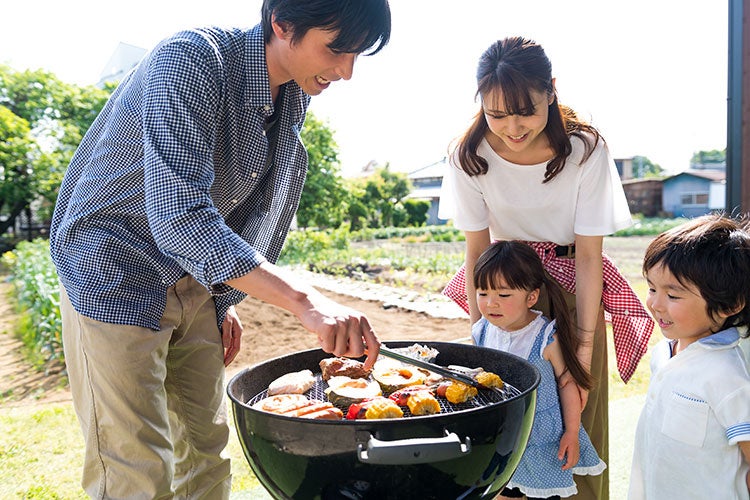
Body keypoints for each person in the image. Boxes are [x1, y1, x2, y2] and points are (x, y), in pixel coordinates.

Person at [48, 1, 391, 498]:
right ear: (282, 25)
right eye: (336, 49)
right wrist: (303, 299)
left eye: (357, 54)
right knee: (135, 467)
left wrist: (222, 297)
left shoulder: (291, 97)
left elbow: (251, 211)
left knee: (205, 455)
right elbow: (179, 211)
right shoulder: (192, 59)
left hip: (193, 280)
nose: (346, 71)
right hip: (112, 269)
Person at [438, 36, 654, 499]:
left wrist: (583, 348)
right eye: (497, 114)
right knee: (502, 415)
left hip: (574, 285)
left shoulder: (584, 150)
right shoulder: (468, 155)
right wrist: (482, 341)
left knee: (577, 416)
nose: (512, 128)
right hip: (506, 290)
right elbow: (476, 251)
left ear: (551, 91)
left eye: (525, 112)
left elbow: (590, 252)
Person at [628, 214, 750, 499]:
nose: (655, 304)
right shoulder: (664, 353)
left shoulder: (728, 375)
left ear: (729, 305)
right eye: (652, 289)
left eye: (673, 296)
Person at [473, 241, 606, 499]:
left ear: (531, 297)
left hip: (543, 440)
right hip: (502, 437)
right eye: (482, 293)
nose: (491, 304)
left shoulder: (545, 336)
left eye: (503, 295)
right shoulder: (482, 331)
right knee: (502, 490)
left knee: (543, 494)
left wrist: (571, 432)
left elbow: (567, 383)